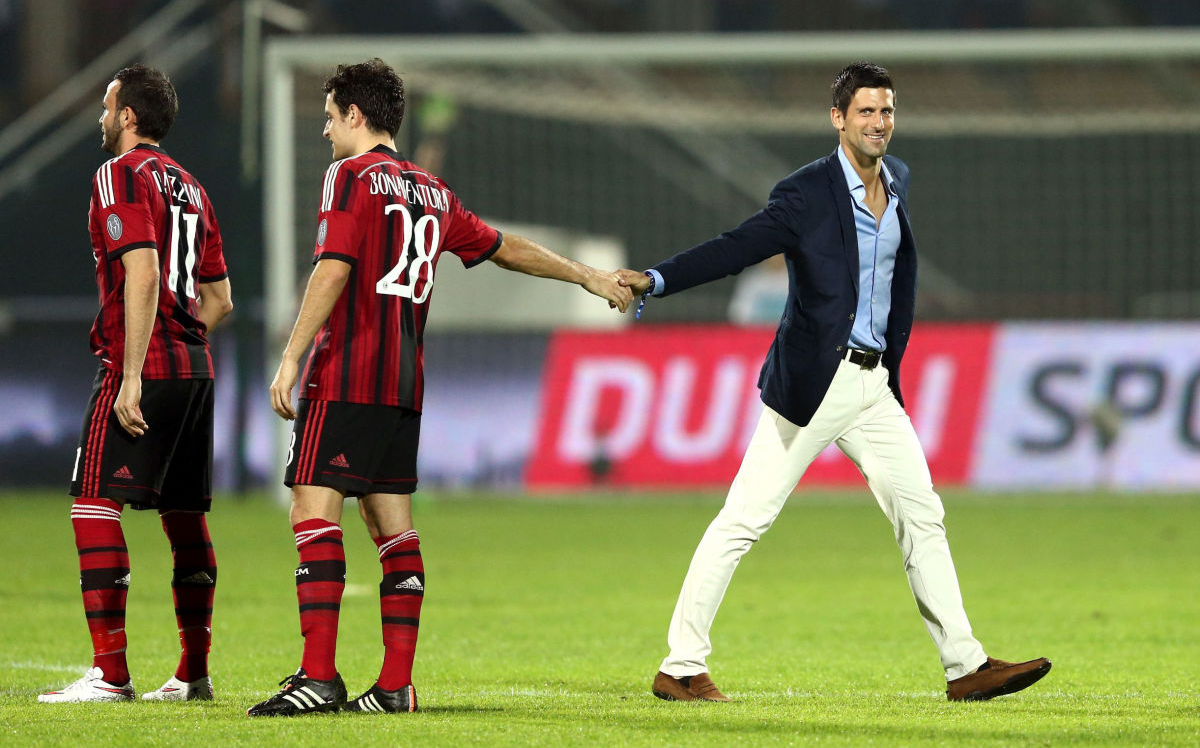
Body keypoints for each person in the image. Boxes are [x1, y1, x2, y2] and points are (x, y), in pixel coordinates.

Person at [617, 62, 1050, 703]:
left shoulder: (896, 180)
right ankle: (680, 666)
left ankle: (965, 665)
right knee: (743, 521)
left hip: (875, 388)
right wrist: (656, 279)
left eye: (887, 111)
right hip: (816, 385)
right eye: (866, 111)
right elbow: (735, 247)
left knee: (922, 515)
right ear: (838, 118)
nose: (879, 123)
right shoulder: (805, 193)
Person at [247, 59, 632, 717]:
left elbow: (332, 267)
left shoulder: (349, 175)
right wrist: (586, 275)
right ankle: (395, 686)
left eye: (330, 117)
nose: (325, 131)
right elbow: (505, 247)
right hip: (404, 382)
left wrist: (291, 356)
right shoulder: (433, 191)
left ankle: (318, 677)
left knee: (312, 512)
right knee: (392, 525)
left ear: (356, 116)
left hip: (348, 372)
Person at [39, 65, 233, 704]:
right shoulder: (193, 187)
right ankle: (193, 674)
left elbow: (143, 273)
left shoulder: (118, 173)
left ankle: (110, 674)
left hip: (143, 368)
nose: (102, 116)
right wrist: (180, 343)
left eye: (106, 106)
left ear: (127, 115)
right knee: (185, 518)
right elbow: (220, 300)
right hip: (195, 370)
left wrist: (132, 374)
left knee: (93, 504)